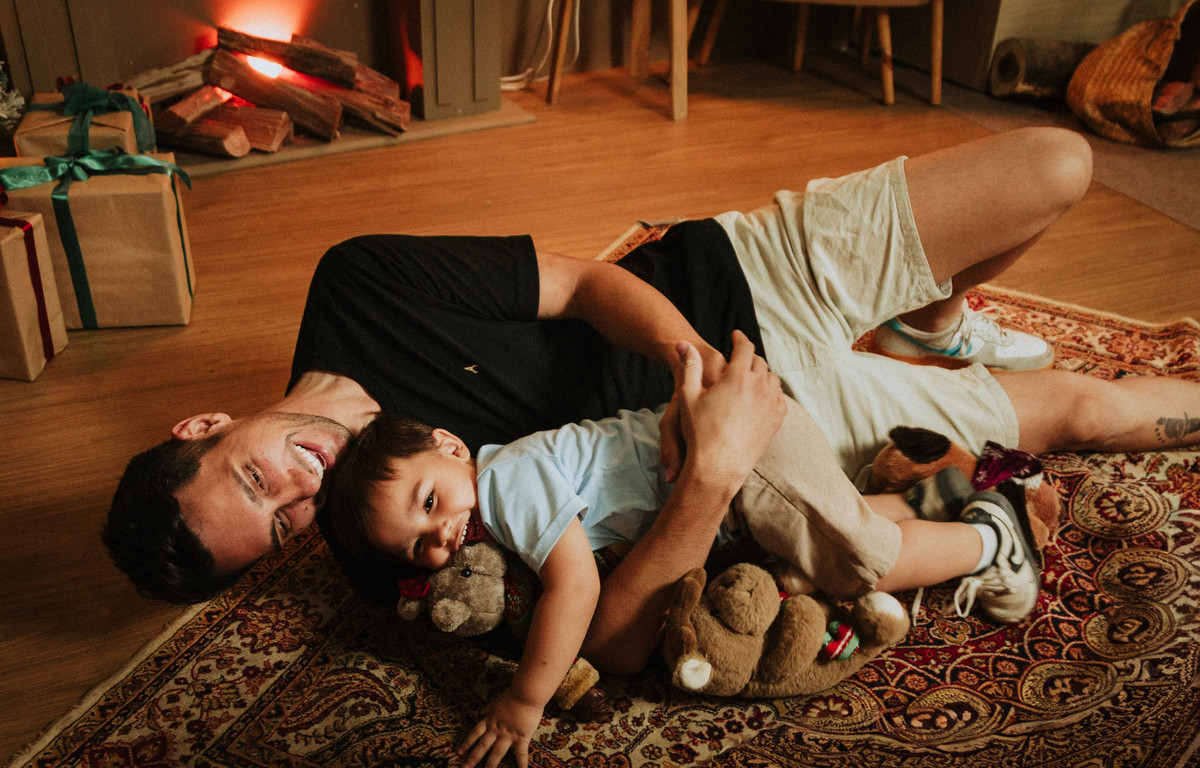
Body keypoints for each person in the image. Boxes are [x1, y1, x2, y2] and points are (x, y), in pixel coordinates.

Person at [102, 127, 1200, 677]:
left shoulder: (359, 284)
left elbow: (586, 283)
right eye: (282, 527)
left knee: (1060, 163)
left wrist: (697, 372)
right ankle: (921, 381)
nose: (303, 492)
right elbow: (614, 638)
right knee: (1086, 414)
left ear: (203, 426)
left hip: (737, 281)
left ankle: (934, 321)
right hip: (786, 431)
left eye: (257, 476)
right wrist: (716, 465)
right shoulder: (389, 539)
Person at [326, 390, 1041, 768]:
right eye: (418, 545)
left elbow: (574, 588)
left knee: (854, 562)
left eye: (430, 502)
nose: (442, 535)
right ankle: (935, 497)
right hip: (731, 482)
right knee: (821, 533)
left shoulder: (506, 484)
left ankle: (992, 539)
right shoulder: (494, 501)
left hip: (745, 456)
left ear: (451, 447)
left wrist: (524, 700)